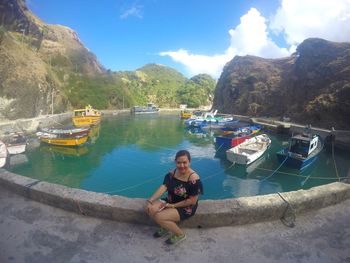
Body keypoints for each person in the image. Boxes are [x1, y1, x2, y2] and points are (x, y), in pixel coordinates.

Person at [145, 150, 203, 245]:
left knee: (160, 216)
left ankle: (180, 234)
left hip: (186, 207)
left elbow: (192, 201)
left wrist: (172, 206)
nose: (182, 165)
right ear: (175, 162)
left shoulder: (194, 179)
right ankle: (166, 227)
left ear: (190, 162)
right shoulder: (172, 173)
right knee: (149, 208)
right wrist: (150, 200)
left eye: (185, 162)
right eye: (179, 162)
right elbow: (164, 186)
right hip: (171, 200)